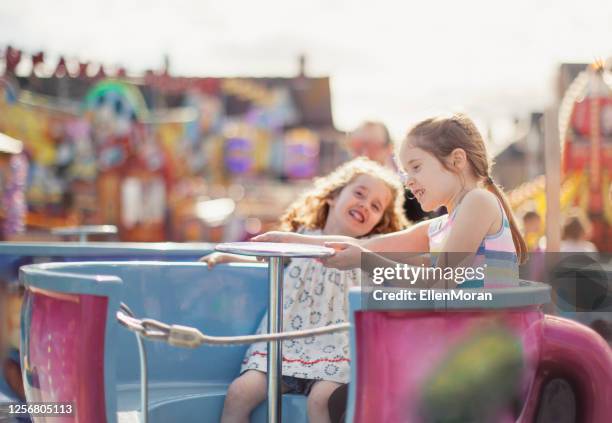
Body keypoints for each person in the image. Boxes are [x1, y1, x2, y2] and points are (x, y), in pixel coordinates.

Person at [253, 113, 528, 422]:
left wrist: (363, 262)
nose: (408, 180)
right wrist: (291, 241)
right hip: (455, 350)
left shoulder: (479, 202)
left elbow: (441, 281)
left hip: (480, 354)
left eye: (416, 167)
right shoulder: (440, 225)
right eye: (404, 171)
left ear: (457, 160)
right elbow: (365, 246)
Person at [200, 157, 408, 423]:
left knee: (322, 401)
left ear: (379, 223)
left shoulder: (367, 250)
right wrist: (228, 258)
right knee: (239, 393)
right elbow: (273, 260)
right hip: (284, 345)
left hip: (335, 351)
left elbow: (394, 274)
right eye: (359, 194)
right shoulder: (301, 235)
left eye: (376, 206)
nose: (364, 205)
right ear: (333, 196)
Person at [346, 121, 436, 223]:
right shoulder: (336, 189)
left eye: (373, 147)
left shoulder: (410, 197)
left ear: (389, 148)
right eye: (357, 146)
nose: (364, 154)